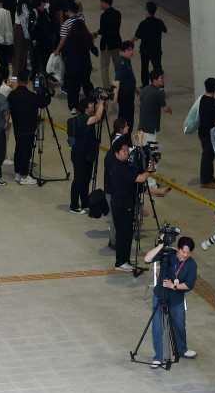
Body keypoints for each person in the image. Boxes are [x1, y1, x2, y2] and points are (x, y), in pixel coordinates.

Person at [144, 235, 198, 367]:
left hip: (176, 299)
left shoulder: (191, 264)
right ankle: (158, 356)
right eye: (183, 251)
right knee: (157, 327)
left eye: (188, 252)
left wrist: (173, 286)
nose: (185, 255)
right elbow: (147, 258)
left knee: (179, 325)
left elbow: (189, 285)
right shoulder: (168, 254)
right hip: (160, 295)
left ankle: (182, 349)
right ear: (178, 249)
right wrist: (162, 245)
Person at [108, 138, 156, 271]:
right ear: (116, 153)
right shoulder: (119, 167)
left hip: (123, 203)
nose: (126, 153)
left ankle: (124, 260)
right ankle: (121, 262)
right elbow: (140, 178)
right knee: (124, 234)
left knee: (127, 233)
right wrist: (150, 169)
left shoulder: (121, 164)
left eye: (127, 150)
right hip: (122, 205)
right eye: (123, 151)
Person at [69, 96, 103, 213]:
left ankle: (84, 202)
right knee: (79, 179)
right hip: (79, 154)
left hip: (88, 154)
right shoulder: (83, 119)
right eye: (90, 104)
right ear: (85, 108)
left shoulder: (89, 118)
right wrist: (102, 102)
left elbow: (101, 117)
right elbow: (98, 117)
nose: (93, 105)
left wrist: (103, 105)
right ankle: (73, 206)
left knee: (86, 179)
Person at [7, 75, 39, 184]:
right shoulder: (32, 96)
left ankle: (18, 172)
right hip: (29, 129)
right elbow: (43, 103)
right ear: (27, 81)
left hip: (17, 127)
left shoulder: (12, 95)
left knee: (19, 149)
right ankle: (25, 176)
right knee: (26, 151)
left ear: (18, 81)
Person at [196, 76, 215, 189]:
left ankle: (210, 177)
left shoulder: (201, 99)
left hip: (202, 132)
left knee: (209, 156)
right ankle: (205, 181)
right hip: (210, 135)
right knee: (207, 157)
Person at [132, 1, 166, 83]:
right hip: (156, 49)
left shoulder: (143, 23)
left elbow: (136, 37)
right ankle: (160, 85)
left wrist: (132, 39)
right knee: (157, 68)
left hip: (145, 50)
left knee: (144, 68)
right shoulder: (159, 22)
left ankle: (145, 86)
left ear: (147, 10)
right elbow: (165, 30)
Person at [92, 0, 122, 87]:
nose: (100, 4)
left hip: (107, 45)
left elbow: (103, 30)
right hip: (117, 43)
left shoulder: (104, 15)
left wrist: (96, 33)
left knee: (104, 67)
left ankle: (106, 87)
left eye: (101, 2)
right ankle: (119, 85)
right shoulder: (118, 13)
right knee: (118, 66)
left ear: (106, 3)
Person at [138, 69, 171, 145]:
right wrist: (170, 111)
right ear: (154, 80)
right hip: (151, 127)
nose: (163, 80)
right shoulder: (158, 93)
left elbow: (139, 104)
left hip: (142, 125)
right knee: (151, 151)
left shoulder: (145, 89)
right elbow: (165, 109)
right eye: (161, 78)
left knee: (143, 148)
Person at [113, 41, 138, 131]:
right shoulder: (121, 63)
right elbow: (117, 81)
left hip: (130, 93)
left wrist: (135, 89)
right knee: (125, 118)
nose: (131, 52)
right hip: (125, 95)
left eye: (132, 50)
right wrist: (115, 97)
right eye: (128, 50)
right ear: (122, 52)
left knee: (129, 117)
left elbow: (129, 78)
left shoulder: (127, 61)